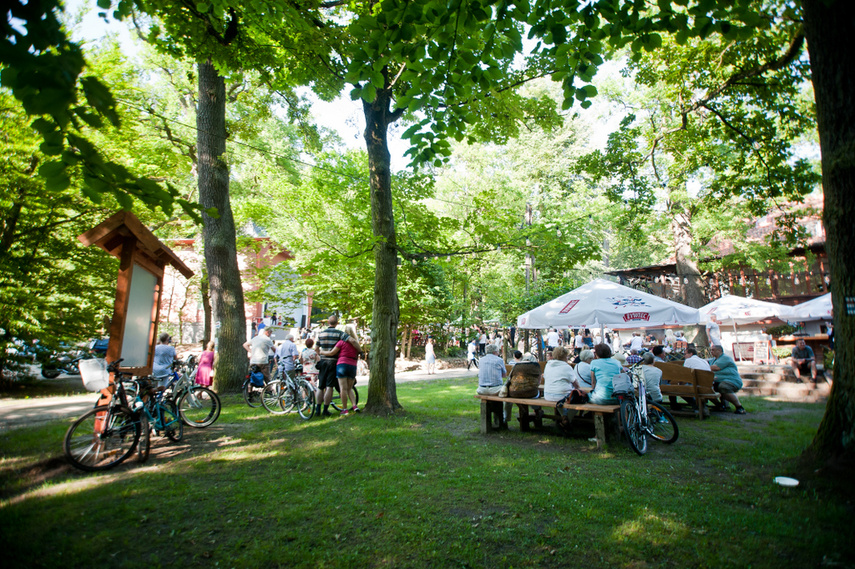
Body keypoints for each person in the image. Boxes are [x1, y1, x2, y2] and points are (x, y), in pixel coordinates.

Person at [315, 315, 360, 417]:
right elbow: (352, 341)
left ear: (328, 322)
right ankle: (325, 410)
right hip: (333, 362)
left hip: (323, 362)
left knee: (320, 386)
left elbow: (316, 349)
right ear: (337, 323)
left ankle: (317, 409)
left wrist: (321, 355)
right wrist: (360, 351)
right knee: (329, 386)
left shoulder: (321, 334)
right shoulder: (339, 333)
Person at [709, 344, 747, 414]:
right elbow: (706, 362)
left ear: (719, 350)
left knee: (723, 387)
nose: (711, 352)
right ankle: (721, 406)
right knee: (705, 389)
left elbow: (716, 367)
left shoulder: (725, 358)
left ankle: (739, 407)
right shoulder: (713, 360)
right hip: (719, 381)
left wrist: (702, 366)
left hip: (732, 381)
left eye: (713, 350)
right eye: (711, 350)